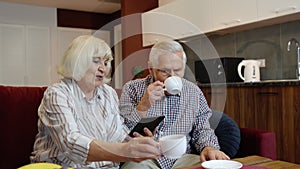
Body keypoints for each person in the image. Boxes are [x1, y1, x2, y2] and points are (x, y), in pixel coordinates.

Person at [30, 35, 161, 169]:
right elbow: (71, 143)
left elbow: (118, 135)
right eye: (96, 61)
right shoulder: (57, 93)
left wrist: (140, 144)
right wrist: (126, 151)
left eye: (105, 63)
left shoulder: (108, 93)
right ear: (77, 61)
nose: (103, 69)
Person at [119, 40, 230, 169]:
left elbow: (203, 129)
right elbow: (119, 133)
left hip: (183, 158)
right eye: (164, 71)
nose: (172, 77)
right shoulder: (132, 89)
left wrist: (209, 147)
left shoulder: (193, 92)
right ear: (151, 69)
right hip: (146, 157)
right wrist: (143, 105)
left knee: (214, 166)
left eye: (177, 70)